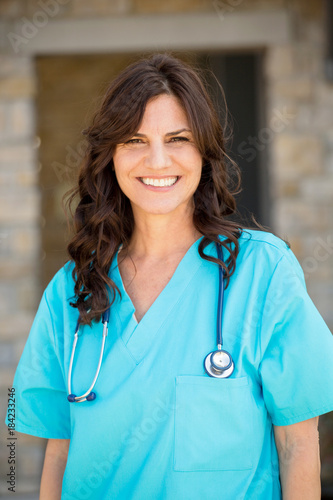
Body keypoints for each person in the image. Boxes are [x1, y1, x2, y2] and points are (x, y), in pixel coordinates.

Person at [6, 53, 333, 500]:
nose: (157, 160)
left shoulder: (263, 274)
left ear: (204, 152)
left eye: (177, 138)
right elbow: (57, 454)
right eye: (135, 140)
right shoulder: (72, 289)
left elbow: (297, 443)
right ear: (111, 156)